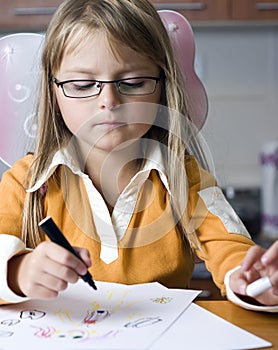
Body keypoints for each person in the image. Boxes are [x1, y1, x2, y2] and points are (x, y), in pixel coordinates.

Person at [0, 0, 277, 312]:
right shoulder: (26, 182)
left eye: (132, 83)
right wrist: (17, 272)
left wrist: (255, 280)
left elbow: (230, 249)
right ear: (53, 92)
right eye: (81, 85)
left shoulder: (184, 178)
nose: (108, 101)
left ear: (162, 86)